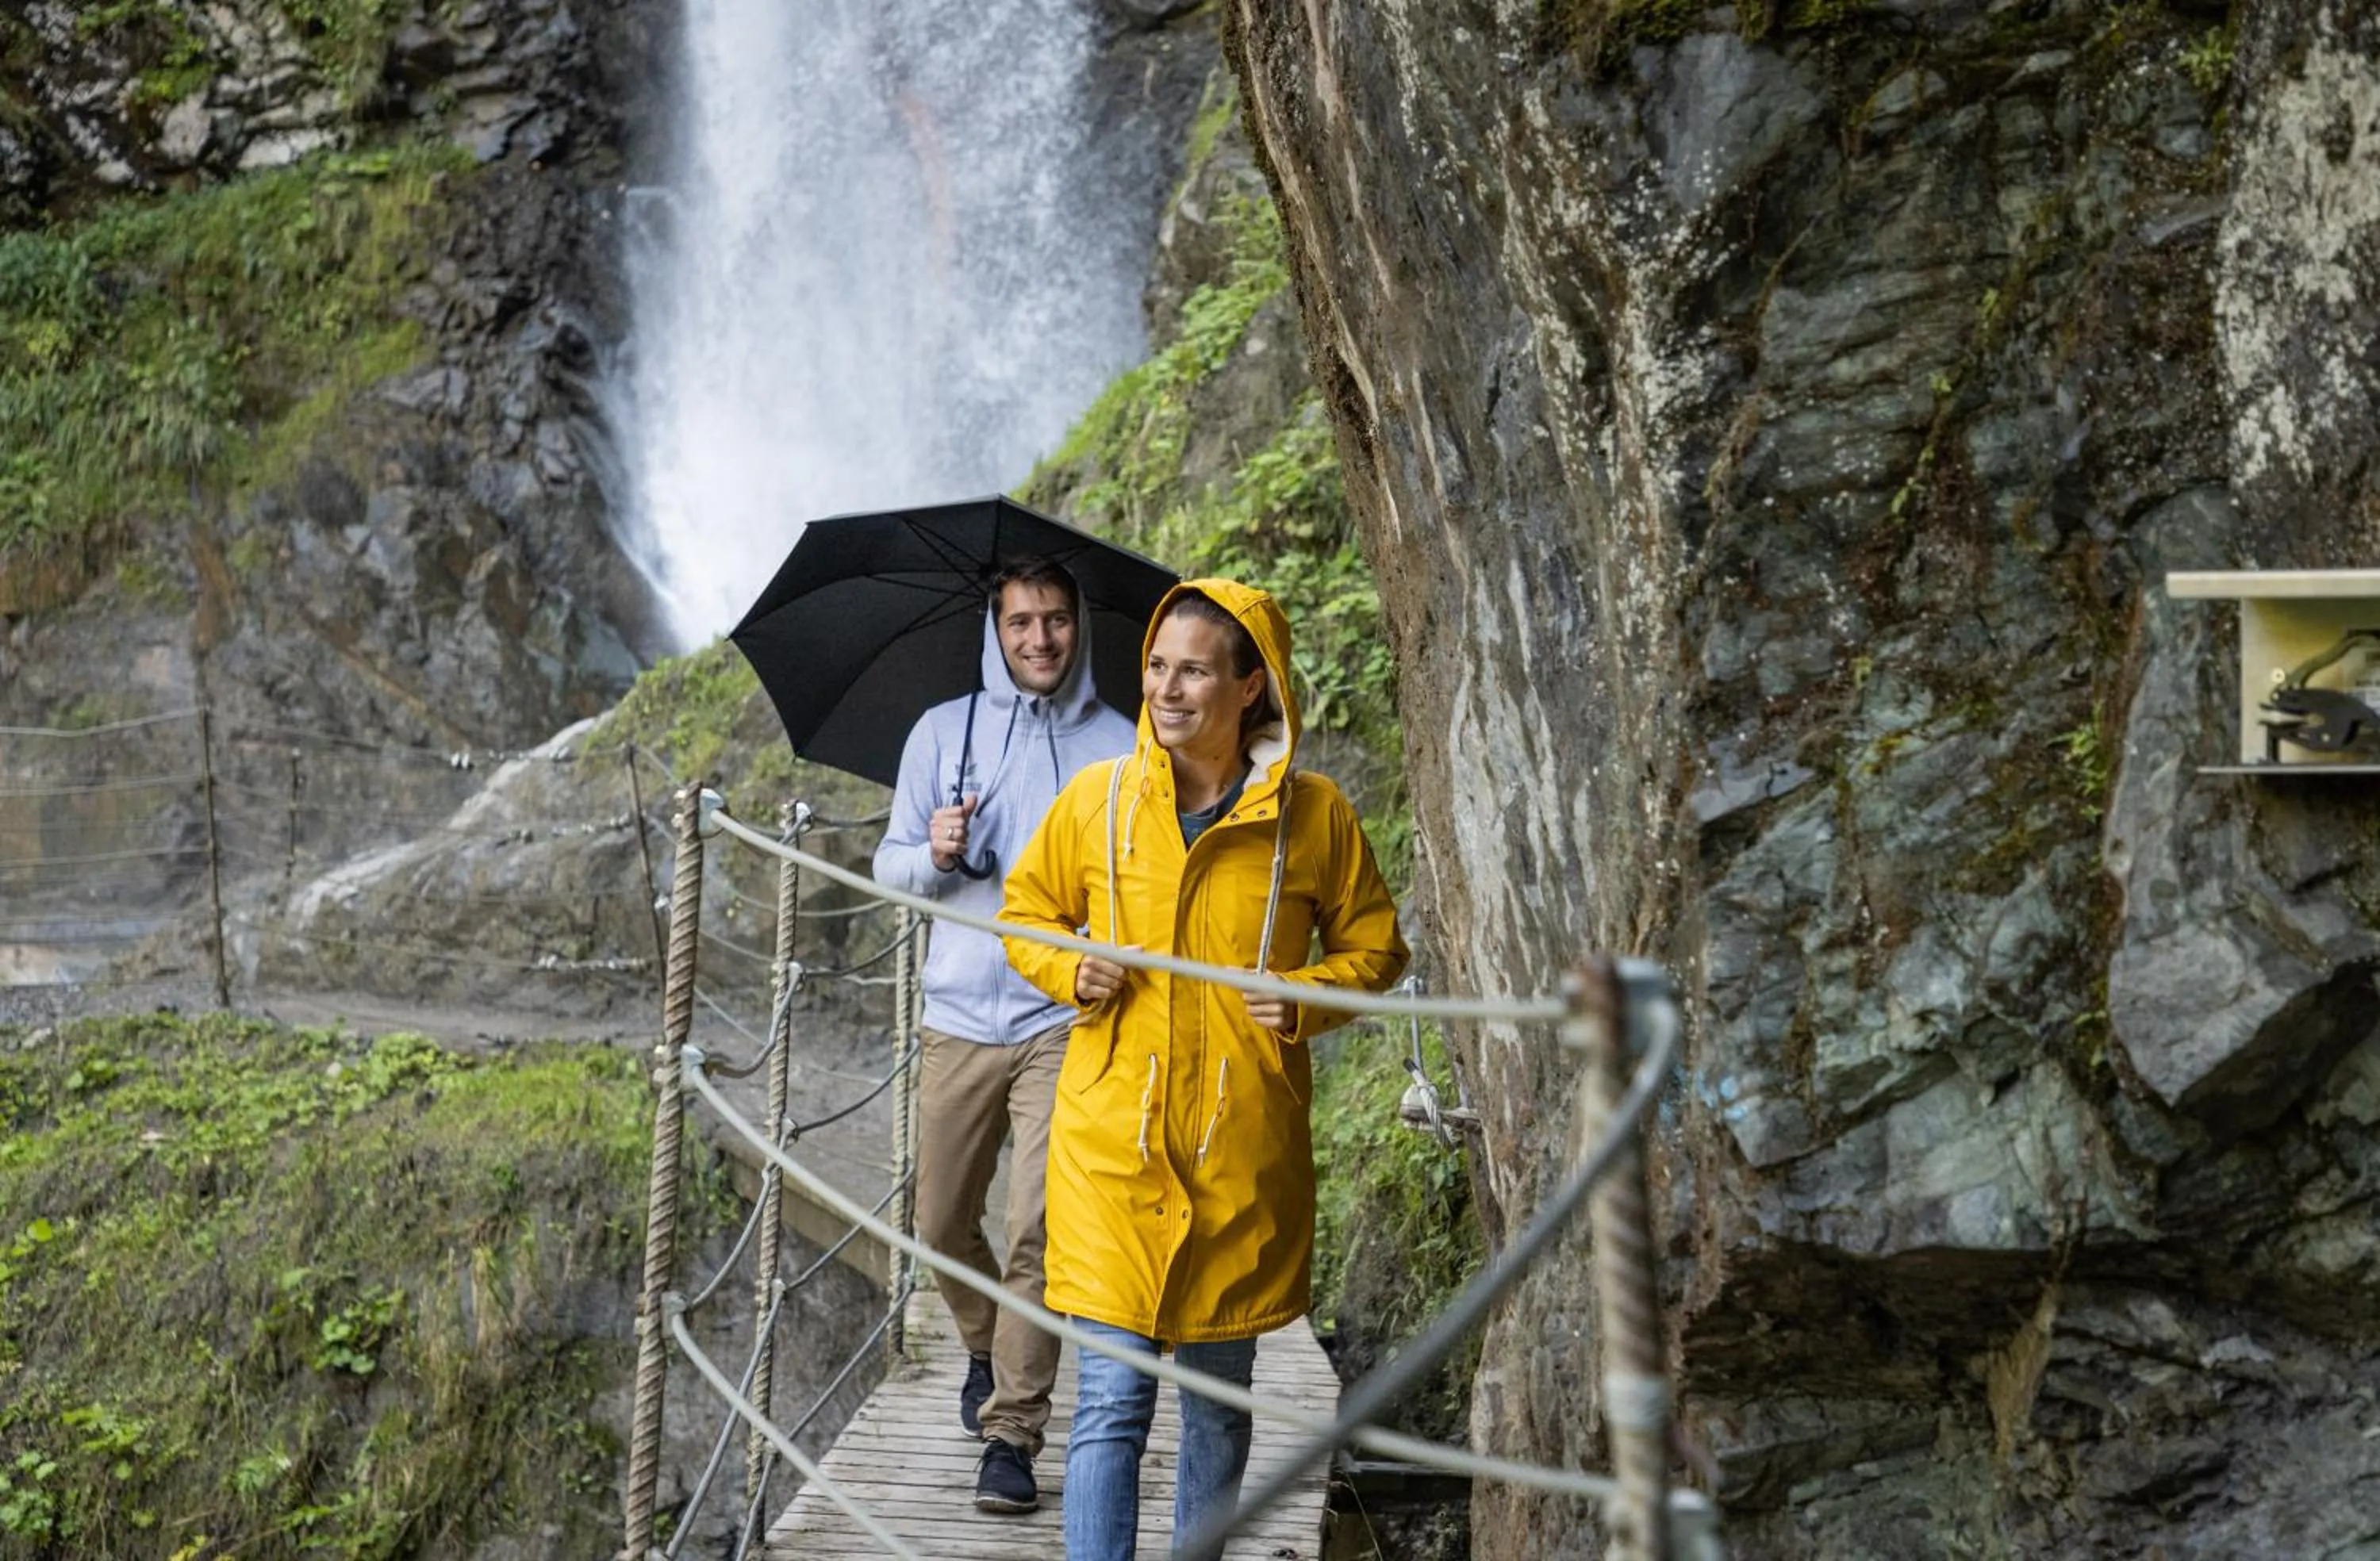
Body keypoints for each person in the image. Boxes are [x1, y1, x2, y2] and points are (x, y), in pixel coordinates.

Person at [1000, 578, 1410, 1559]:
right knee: (1109, 1401)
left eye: (1192, 670)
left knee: (1220, 1407)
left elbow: (1377, 949)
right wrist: (1071, 965)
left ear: (1253, 688)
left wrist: (1306, 997)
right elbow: (1025, 913)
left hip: (1240, 1156)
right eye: (1155, 667)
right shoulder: (1099, 802)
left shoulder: (1313, 819)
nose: (1166, 690)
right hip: (1113, 1149)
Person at [872, 556, 1135, 1515]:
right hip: (957, 1013)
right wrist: (931, 854)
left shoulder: (1118, 747)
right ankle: (985, 1344)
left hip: (1066, 1019)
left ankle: (1014, 1433)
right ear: (996, 627)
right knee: (939, 1225)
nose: (1040, 640)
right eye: (1022, 622)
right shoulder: (946, 733)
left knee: (1040, 1227)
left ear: (1080, 629)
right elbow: (888, 868)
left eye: (1056, 621)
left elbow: (1139, 882)